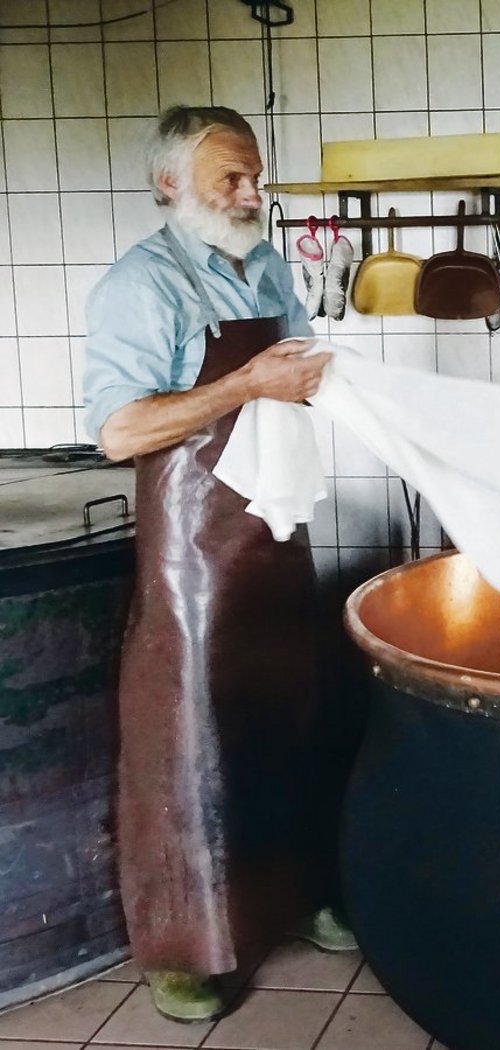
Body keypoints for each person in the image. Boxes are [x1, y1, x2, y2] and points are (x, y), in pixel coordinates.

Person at [83, 106, 354, 1024]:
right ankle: (187, 951)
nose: (251, 194)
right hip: (194, 551)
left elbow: (304, 369)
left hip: (273, 532)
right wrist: (244, 383)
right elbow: (121, 433)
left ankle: (293, 893)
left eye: (255, 176)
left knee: (287, 713)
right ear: (171, 186)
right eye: (230, 180)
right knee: (193, 737)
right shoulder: (143, 285)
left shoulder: (268, 264)